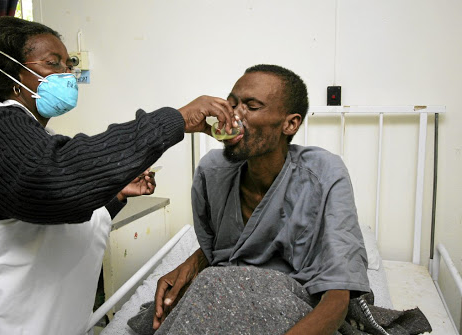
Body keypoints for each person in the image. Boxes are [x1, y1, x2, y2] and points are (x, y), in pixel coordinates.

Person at [0, 16, 237, 335]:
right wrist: (176, 119)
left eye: (68, 63)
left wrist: (115, 195)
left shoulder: (37, 140)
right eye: (52, 63)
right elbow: (55, 183)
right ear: (12, 75)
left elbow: (50, 224)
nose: (67, 73)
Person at [152, 64, 370, 334]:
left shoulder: (324, 173)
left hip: (289, 300)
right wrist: (193, 264)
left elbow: (338, 295)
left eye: (251, 106)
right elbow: (222, 249)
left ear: (290, 123)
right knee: (206, 286)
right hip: (223, 290)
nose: (233, 115)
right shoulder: (212, 171)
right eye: (230, 104)